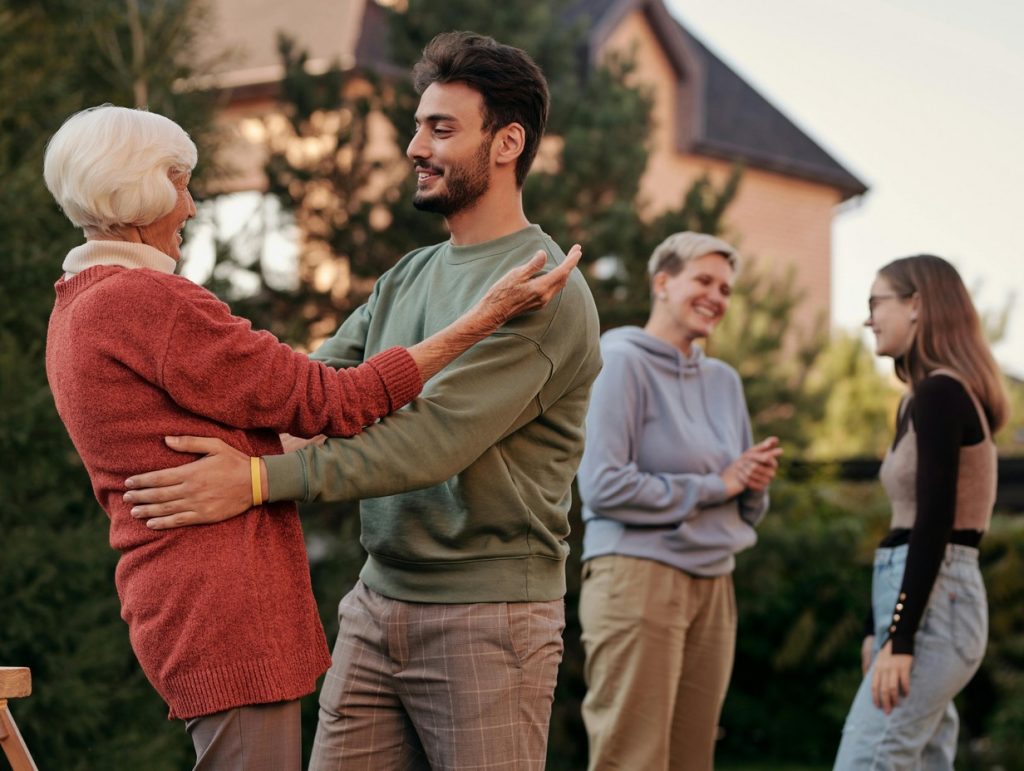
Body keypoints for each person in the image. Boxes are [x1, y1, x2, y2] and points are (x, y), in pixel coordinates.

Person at [43, 104, 581, 770]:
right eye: (180, 182)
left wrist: (255, 469)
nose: (191, 203)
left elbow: (295, 396)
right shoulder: (150, 302)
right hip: (227, 606)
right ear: (141, 190)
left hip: (178, 601)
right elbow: (332, 398)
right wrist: (481, 320)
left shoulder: (76, 303)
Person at [576, 231, 782, 771]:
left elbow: (741, 500)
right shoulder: (619, 362)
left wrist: (752, 482)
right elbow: (603, 485)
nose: (718, 296)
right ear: (663, 283)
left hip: (715, 582)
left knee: (694, 758)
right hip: (636, 578)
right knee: (632, 758)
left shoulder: (724, 381)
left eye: (727, 289)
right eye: (705, 281)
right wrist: (720, 485)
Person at [833, 255, 1009, 769]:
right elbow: (903, 525)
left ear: (916, 305)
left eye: (875, 303)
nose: (868, 319)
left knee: (867, 760)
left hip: (936, 606)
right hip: (920, 598)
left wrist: (901, 635)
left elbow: (935, 521)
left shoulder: (941, 394)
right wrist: (878, 627)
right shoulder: (919, 399)